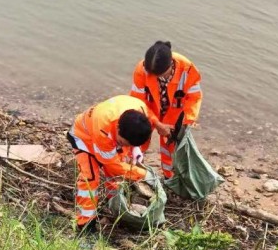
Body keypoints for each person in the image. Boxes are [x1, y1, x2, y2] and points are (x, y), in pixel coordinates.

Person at [67, 95, 156, 232]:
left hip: (109, 138)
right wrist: (144, 174)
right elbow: (111, 165)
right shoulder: (103, 125)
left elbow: (149, 123)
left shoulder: (141, 110)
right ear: (118, 128)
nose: (126, 146)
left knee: (116, 177)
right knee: (90, 178)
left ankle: (115, 203)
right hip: (85, 138)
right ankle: (85, 224)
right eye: (124, 143)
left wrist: (135, 148)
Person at [130, 41, 202, 179]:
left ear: (171, 65)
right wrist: (156, 123)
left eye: (161, 75)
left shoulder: (188, 70)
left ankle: (170, 177)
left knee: (171, 147)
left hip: (175, 115)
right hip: (147, 111)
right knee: (138, 139)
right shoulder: (142, 69)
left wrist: (184, 124)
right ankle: (134, 171)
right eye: (153, 75)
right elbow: (138, 102)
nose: (156, 78)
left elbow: (194, 99)